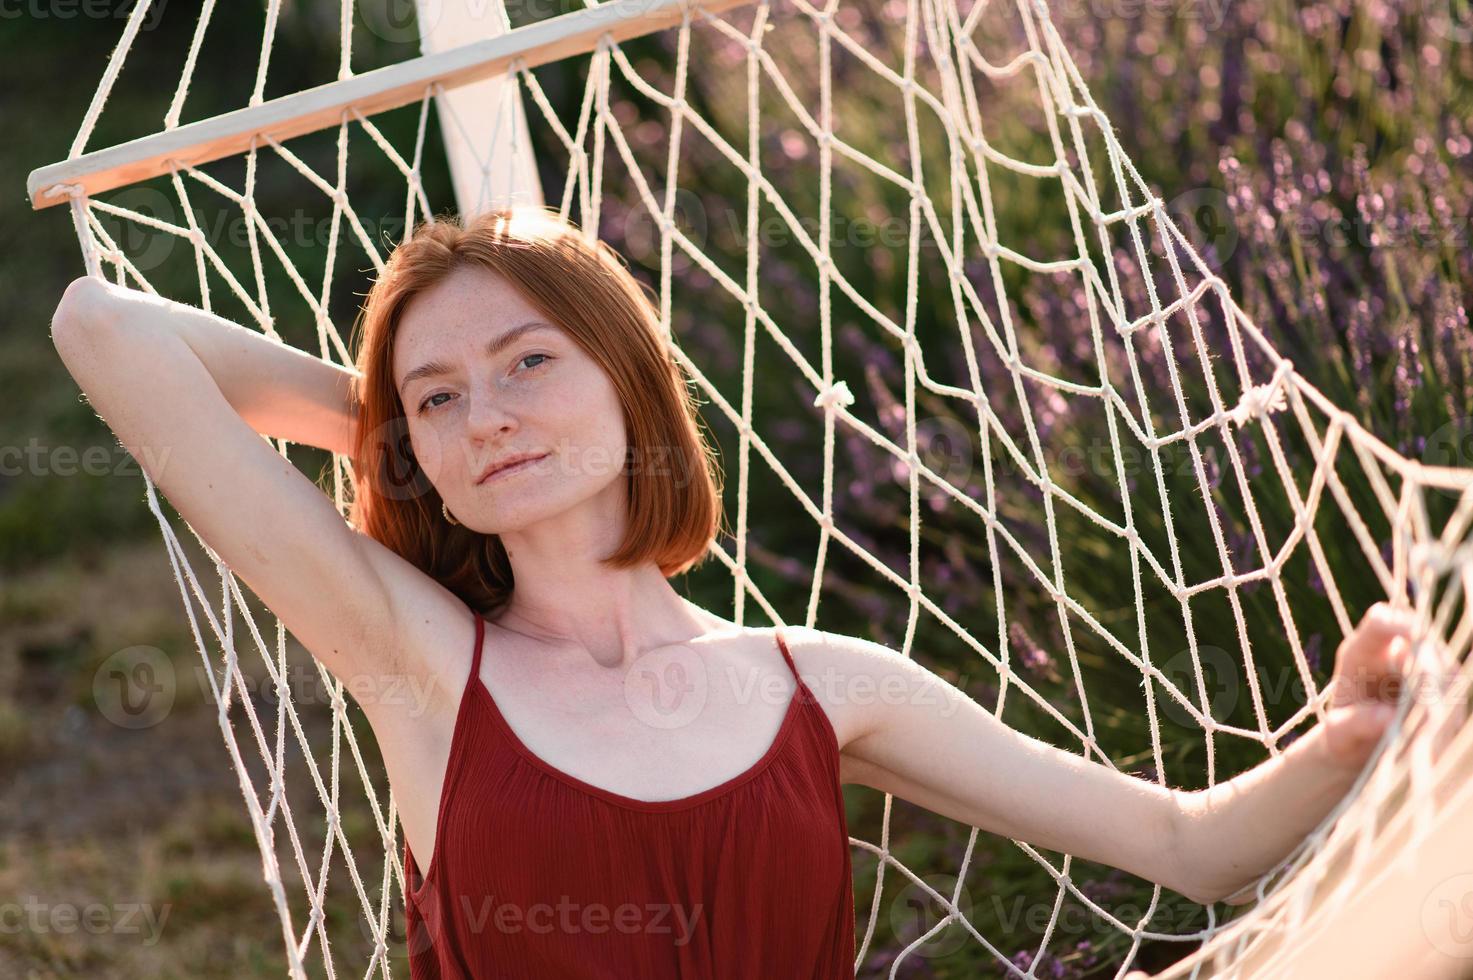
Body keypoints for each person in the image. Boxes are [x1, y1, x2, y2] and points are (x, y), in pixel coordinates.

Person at [48, 205, 1422, 978]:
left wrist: (1355, 729)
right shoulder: (417, 664)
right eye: (443, 391)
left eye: (531, 363)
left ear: (630, 379)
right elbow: (102, 328)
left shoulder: (825, 687)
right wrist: (408, 450)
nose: (493, 412)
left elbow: (1191, 847)